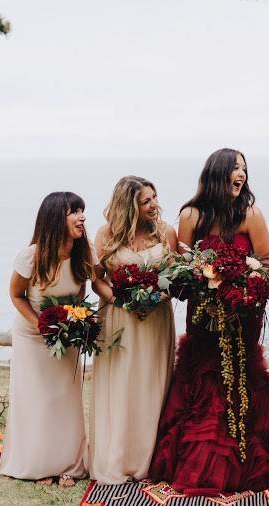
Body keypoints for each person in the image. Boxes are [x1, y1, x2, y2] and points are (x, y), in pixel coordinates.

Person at [148, 148, 269, 495]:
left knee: (242, 377)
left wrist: (247, 290)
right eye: (234, 168)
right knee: (204, 380)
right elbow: (182, 270)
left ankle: (245, 464)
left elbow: (266, 263)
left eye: (244, 169)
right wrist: (205, 294)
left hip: (243, 314)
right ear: (218, 172)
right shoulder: (191, 214)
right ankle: (199, 463)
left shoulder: (251, 214)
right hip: (203, 314)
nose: (241, 174)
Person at [1, 191, 103, 487]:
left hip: (67, 333)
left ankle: (67, 464)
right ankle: (38, 464)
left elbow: (85, 291)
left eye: (83, 211)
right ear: (56, 217)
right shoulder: (31, 255)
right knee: (37, 397)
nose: (82, 217)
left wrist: (79, 321)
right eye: (75, 211)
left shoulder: (85, 251)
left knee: (65, 397)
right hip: (32, 334)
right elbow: (16, 295)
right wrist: (42, 325)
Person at [89, 176, 177, 484]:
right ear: (130, 206)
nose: (154, 205)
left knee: (153, 383)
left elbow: (176, 277)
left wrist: (157, 297)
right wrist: (119, 300)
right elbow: (96, 279)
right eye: (146, 201)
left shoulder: (166, 233)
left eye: (154, 198)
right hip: (119, 319)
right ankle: (119, 457)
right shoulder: (105, 235)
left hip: (157, 319)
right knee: (122, 385)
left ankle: (150, 460)